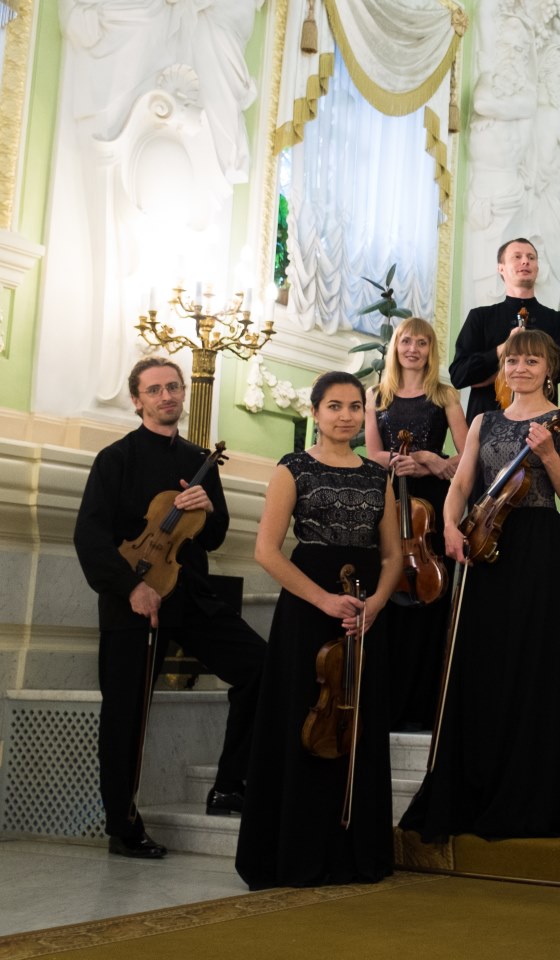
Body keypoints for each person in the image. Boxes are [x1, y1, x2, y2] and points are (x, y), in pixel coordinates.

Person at [73, 357, 266, 859]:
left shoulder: (200, 460)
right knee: (126, 712)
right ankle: (122, 824)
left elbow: (217, 535)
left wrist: (206, 506)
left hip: (191, 592)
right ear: (137, 399)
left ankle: (228, 784)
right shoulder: (116, 459)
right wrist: (131, 589)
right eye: (155, 390)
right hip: (133, 598)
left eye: (173, 388)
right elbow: (90, 537)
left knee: (260, 669)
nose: (167, 396)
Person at [400, 328, 560, 840]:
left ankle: (527, 791)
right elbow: (461, 485)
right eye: (512, 361)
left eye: (531, 361)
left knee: (531, 665)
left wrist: (548, 455)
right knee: (483, 664)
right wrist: (449, 528)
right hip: (484, 548)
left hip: (540, 551)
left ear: (549, 368)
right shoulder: (484, 419)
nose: (520, 369)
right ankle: (473, 786)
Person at [235, 372, 402, 889]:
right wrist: (325, 599)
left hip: (363, 613)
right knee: (303, 725)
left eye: (355, 407)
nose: (346, 415)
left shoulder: (379, 476)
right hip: (309, 612)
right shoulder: (294, 468)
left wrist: (374, 603)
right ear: (315, 413)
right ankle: (296, 853)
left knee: (358, 728)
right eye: (335, 406)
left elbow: (393, 554)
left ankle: (354, 852)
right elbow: (266, 551)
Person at [363, 317, 470, 731]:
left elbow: (465, 454)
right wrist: (398, 460)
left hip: (431, 506)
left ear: (430, 350)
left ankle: (426, 705)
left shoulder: (444, 394)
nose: (413, 349)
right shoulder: (378, 394)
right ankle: (388, 702)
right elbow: (372, 453)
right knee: (389, 593)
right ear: (396, 346)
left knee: (430, 599)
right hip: (392, 500)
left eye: (421, 343)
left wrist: (429, 460)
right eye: (406, 341)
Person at [449, 238, 560, 423]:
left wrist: (490, 376)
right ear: (501, 268)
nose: (525, 261)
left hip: (540, 422)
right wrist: (503, 349)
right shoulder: (480, 317)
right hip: (486, 422)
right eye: (517, 257)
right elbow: (459, 376)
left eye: (531, 257)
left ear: (537, 268)